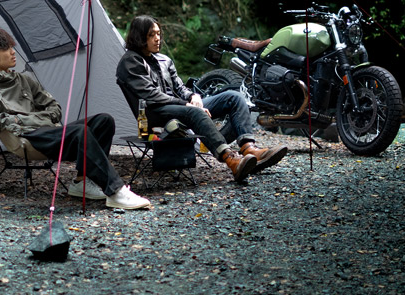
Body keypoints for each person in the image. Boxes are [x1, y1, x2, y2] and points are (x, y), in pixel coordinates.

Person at [0, 27, 151, 210]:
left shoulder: (23, 79)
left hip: (45, 129)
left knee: (104, 121)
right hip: (25, 137)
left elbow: (54, 107)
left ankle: (82, 182)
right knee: (81, 132)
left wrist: (33, 118)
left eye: (12, 47)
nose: (13, 52)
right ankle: (116, 192)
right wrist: (13, 121)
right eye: (6, 49)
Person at [116, 15, 288, 183]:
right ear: (139, 37)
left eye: (158, 33)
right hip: (154, 114)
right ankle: (231, 160)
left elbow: (180, 88)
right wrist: (187, 104)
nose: (157, 39)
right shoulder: (130, 62)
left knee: (234, 98)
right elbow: (152, 95)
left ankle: (249, 148)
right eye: (151, 35)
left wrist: (193, 96)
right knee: (194, 112)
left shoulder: (164, 60)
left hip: (181, 107)